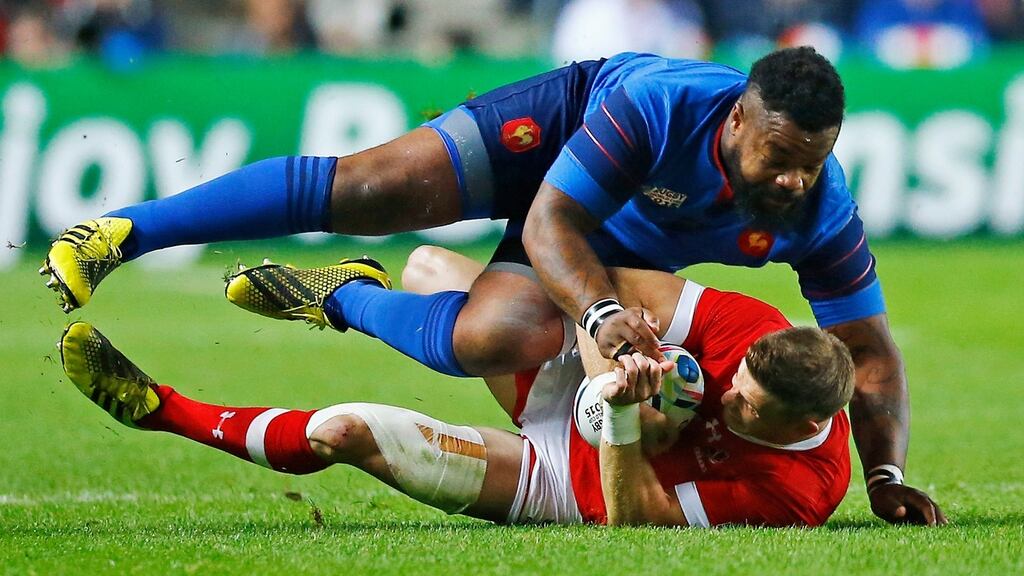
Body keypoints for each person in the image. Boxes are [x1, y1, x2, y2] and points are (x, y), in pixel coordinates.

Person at [41, 47, 937, 524]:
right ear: (739, 118)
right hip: (560, 147)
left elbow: (868, 352)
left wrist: (886, 471)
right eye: (779, 159)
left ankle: (344, 296)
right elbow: (554, 225)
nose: (792, 182)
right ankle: (124, 232)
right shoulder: (660, 104)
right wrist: (597, 313)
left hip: (600, 257)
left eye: (811, 165)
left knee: (490, 337)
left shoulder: (820, 210)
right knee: (370, 190)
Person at [57, 249, 867, 527]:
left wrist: (621, 418)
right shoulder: (750, 329)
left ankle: (160, 409)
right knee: (436, 275)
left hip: (572, 481)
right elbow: (597, 282)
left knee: (342, 432)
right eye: (738, 383)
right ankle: (345, 296)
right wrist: (606, 365)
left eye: (749, 409)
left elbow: (634, 521)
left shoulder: (800, 488)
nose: (728, 396)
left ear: (806, 422)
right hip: (581, 383)